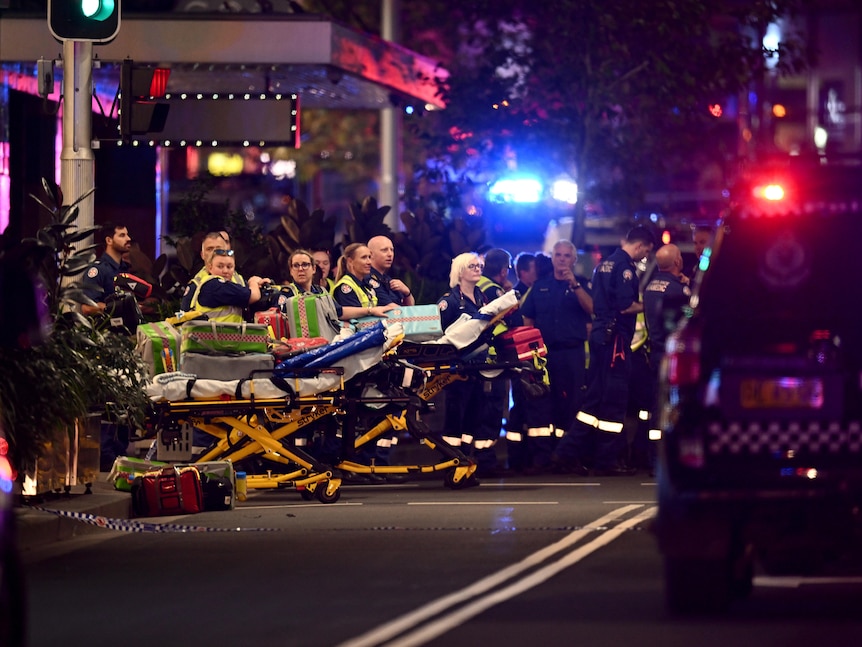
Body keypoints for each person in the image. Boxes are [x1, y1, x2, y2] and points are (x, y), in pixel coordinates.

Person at [553, 226, 655, 476]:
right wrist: (650, 304)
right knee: (614, 401)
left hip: (601, 337)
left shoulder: (604, 265)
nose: (645, 256)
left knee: (595, 399)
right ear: (640, 246)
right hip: (616, 341)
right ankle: (605, 459)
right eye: (646, 251)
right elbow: (625, 306)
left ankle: (568, 451)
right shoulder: (625, 268)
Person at [520, 240, 594, 473]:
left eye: (566, 256)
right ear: (552, 258)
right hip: (545, 354)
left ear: (573, 260)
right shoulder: (540, 286)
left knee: (572, 404)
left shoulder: (581, 285)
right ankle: (542, 458)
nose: (561, 259)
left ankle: (568, 456)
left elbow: (592, 310)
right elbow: (528, 320)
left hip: (572, 353)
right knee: (542, 405)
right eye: (558, 255)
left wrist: (575, 286)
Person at [437, 252, 503, 479]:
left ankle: (466, 460)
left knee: (473, 417)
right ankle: (450, 464)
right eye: (472, 266)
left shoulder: (482, 297)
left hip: (477, 367)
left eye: (480, 265)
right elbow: (440, 336)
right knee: (455, 416)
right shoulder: (449, 302)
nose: (478, 269)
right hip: (456, 369)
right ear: (460, 271)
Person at [634, 243, 692, 473]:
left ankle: (648, 454)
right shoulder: (677, 291)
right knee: (669, 408)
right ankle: (660, 459)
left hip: (655, 352)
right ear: (677, 262)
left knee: (654, 406)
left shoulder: (650, 287)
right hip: (671, 355)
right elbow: (687, 319)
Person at [189, 249, 271, 322]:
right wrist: (253, 281)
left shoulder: (224, 285)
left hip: (222, 335)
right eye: (220, 266)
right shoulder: (215, 285)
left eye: (229, 267)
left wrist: (259, 284)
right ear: (210, 267)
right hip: (215, 337)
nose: (225, 271)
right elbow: (253, 296)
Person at [180, 231, 245, 312]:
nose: (214, 253)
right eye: (209, 249)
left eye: (219, 249)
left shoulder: (239, 279)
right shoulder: (196, 284)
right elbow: (182, 316)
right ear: (202, 255)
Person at [331, 243, 398, 319]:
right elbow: (353, 319)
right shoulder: (346, 286)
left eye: (369, 257)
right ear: (350, 261)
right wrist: (371, 311)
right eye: (364, 257)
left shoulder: (366, 284)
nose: (369, 262)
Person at [81, 222, 132, 316]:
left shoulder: (125, 268)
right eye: (122, 235)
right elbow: (87, 308)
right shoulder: (98, 270)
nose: (128, 239)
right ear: (109, 240)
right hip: (106, 328)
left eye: (127, 235)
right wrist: (115, 309)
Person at [367, 235, 415, 306]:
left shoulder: (387, 278)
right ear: (371, 254)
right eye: (384, 250)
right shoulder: (368, 278)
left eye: (392, 250)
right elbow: (391, 308)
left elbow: (410, 307)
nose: (390, 254)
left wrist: (407, 292)